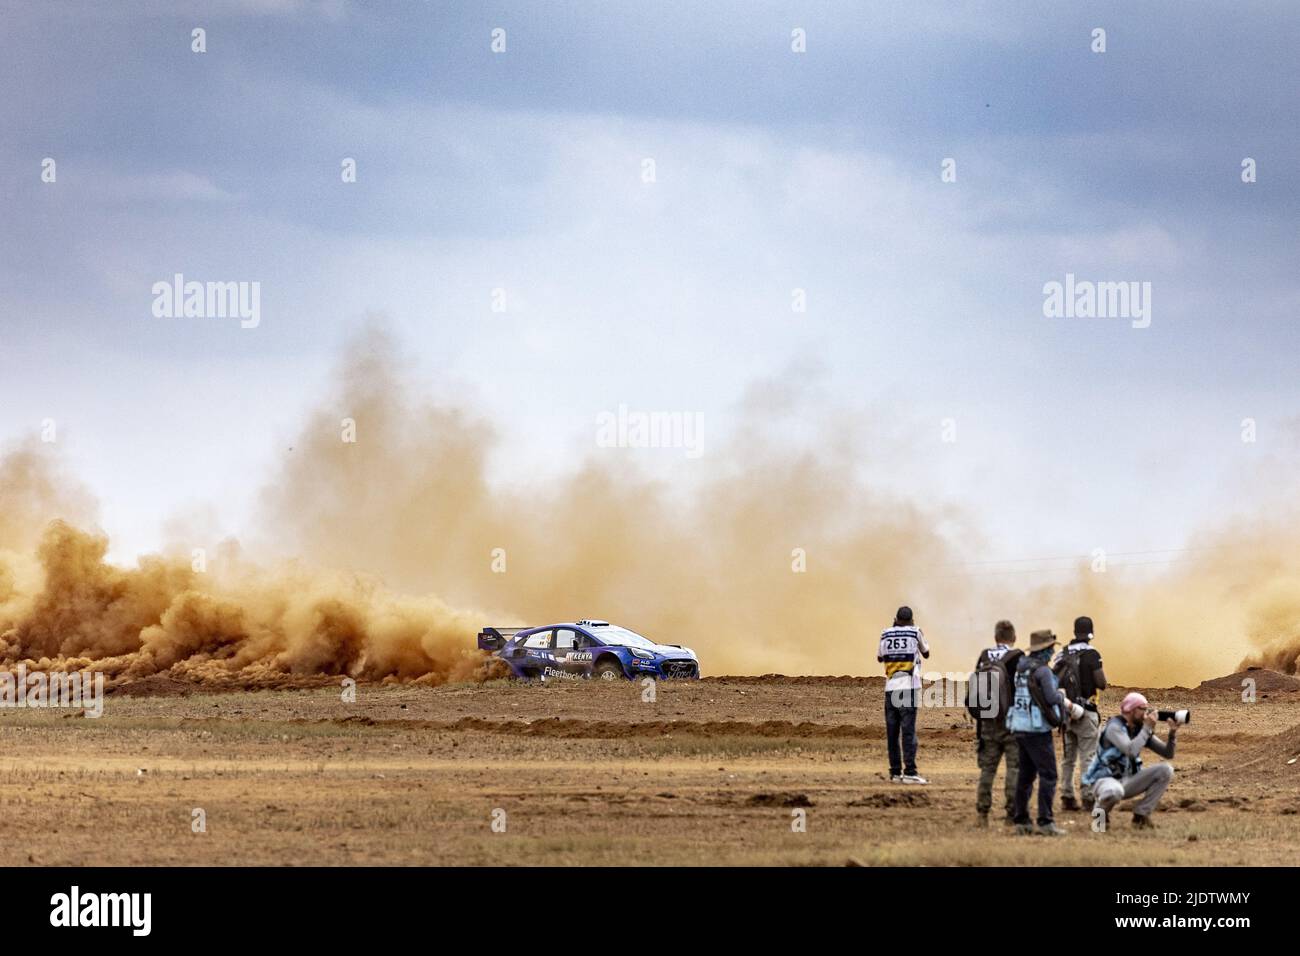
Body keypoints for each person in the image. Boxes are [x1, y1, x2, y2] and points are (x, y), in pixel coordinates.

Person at [1006, 629, 1075, 836]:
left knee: (1026, 776)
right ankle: (1045, 822)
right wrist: (1063, 696)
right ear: (1044, 649)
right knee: (1049, 775)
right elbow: (1051, 697)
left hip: (1019, 726)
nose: (1052, 653)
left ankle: (1022, 821)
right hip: (1037, 729)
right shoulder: (1043, 671)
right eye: (1050, 649)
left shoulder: (1021, 667)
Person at [1083, 692, 1178, 830]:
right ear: (1131, 710)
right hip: (1104, 780)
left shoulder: (1139, 729)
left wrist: (1172, 734)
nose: (1146, 713)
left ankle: (1141, 815)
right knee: (1115, 792)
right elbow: (1131, 750)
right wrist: (1147, 728)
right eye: (1143, 709)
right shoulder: (1114, 727)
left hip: (1128, 779)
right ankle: (1099, 814)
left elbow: (1167, 753)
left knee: (1165, 770)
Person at [1053, 615, 1108, 812]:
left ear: (1075, 632)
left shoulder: (1061, 654)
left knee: (1068, 758)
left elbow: (1054, 682)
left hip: (1066, 713)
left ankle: (1066, 796)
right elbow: (1101, 683)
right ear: (1090, 633)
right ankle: (1088, 797)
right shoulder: (1092, 654)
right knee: (1088, 756)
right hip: (1087, 712)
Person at [970, 620, 1022, 827]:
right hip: (1012, 722)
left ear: (995, 637)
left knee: (987, 770)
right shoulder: (1018, 657)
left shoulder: (985, 656)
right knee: (1014, 769)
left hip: (988, 723)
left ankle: (982, 814)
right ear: (1014, 638)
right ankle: (1011, 814)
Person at [878, 606, 930, 784]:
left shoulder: (885, 633)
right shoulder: (915, 632)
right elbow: (926, 652)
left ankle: (894, 773)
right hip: (908, 688)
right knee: (908, 732)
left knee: (892, 734)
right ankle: (910, 772)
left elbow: (879, 657)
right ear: (911, 620)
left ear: (895, 618)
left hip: (890, 688)